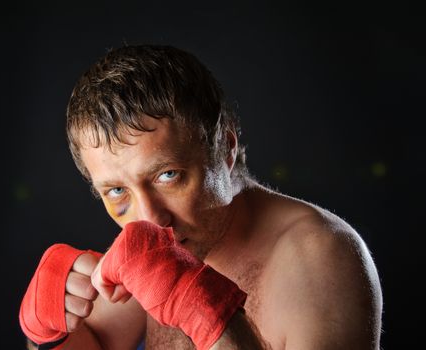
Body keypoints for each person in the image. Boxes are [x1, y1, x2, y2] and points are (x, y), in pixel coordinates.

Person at [19, 45, 383, 350]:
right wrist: (48, 332)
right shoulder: (154, 243)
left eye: (167, 176)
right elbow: (91, 343)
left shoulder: (318, 257)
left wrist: (209, 314)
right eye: (117, 191)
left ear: (224, 148)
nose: (150, 219)